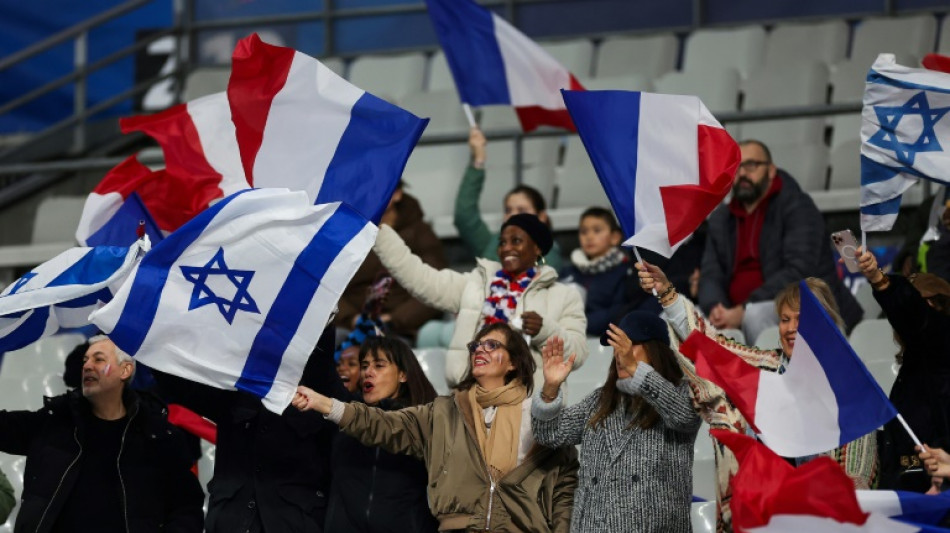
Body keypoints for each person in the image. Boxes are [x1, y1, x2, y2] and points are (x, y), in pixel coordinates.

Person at [638, 262, 877, 532]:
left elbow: (858, 473)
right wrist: (668, 293)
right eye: (785, 319)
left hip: (827, 518)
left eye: (800, 318)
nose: (789, 328)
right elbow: (711, 343)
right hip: (762, 516)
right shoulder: (764, 366)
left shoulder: (849, 384)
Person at [294, 322, 579, 533]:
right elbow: (381, 424)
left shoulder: (540, 414)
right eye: (476, 345)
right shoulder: (444, 412)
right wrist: (327, 405)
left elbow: (565, 482)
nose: (480, 349)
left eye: (492, 345)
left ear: (514, 363)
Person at [0, 335, 204, 532]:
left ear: (125, 370)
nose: (87, 365)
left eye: (98, 359)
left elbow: (186, 506)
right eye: (85, 360)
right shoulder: (54, 421)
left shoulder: (159, 436)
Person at [151, 326, 341, 533]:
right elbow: (179, 385)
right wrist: (148, 340)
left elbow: (323, 358)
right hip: (232, 520)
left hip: (292, 522)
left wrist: (325, 318)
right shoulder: (234, 391)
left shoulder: (319, 394)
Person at [374, 212, 588, 388]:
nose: (506, 248)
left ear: (537, 248)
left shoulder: (564, 295)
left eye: (516, 241)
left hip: (528, 407)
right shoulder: (476, 284)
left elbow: (577, 355)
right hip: (469, 398)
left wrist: (545, 331)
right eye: (502, 242)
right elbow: (420, 278)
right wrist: (378, 233)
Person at [532, 311, 700, 532]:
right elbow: (550, 433)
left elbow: (685, 416)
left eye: (627, 345)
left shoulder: (682, 393)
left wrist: (637, 371)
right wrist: (550, 388)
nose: (619, 355)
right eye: (615, 347)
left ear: (656, 350)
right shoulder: (601, 400)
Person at [698, 139, 862, 342]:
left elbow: (799, 270)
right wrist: (716, 308)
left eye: (751, 166)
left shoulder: (798, 207)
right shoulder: (721, 218)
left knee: (755, 315)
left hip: (803, 304)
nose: (742, 174)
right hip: (735, 309)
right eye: (736, 168)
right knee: (689, 318)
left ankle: (772, 373)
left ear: (771, 170)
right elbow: (710, 274)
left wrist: (745, 308)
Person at [855, 248, 950, 491]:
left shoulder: (942, 341)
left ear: (935, 307)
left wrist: (880, 281)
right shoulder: (914, 365)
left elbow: (917, 316)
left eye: (921, 304)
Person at [325, 336, 440, 532]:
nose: (368, 372)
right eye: (364, 366)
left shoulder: (425, 422)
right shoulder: (345, 413)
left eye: (379, 366)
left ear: (403, 374)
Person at [336, 184, 447, 341]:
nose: (371, 198)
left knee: (390, 352)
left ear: (397, 194)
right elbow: (326, 284)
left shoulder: (419, 232)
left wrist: (394, 319)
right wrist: (350, 318)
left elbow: (437, 286)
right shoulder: (344, 233)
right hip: (349, 325)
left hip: (402, 327)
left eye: (378, 191)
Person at [454, 126, 563, 271]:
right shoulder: (492, 244)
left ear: (541, 217)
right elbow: (465, 216)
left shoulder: (547, 252)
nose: (513, 215)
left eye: (522, 210)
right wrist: (478, 160)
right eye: (508, 210)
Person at [560, 207, 658, 336]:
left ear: (615, 237)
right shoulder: (568, 272)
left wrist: (577, 323)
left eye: (597, 230)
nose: (589, 237)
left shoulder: (625, 272)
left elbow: (616, 313)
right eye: (584, 231)